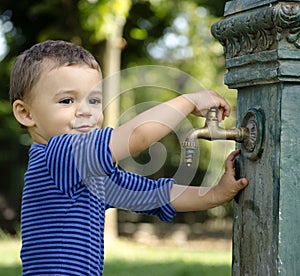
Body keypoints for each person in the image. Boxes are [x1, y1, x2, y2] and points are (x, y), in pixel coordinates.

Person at [10, 40, 248, 276]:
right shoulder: (60, 155)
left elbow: (157, 195)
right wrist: (189, 101)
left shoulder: (88, 173)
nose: (86, 111)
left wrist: (216, 194)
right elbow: (138, 135)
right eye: (66, 101)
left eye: (94, 100)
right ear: (25, 113)